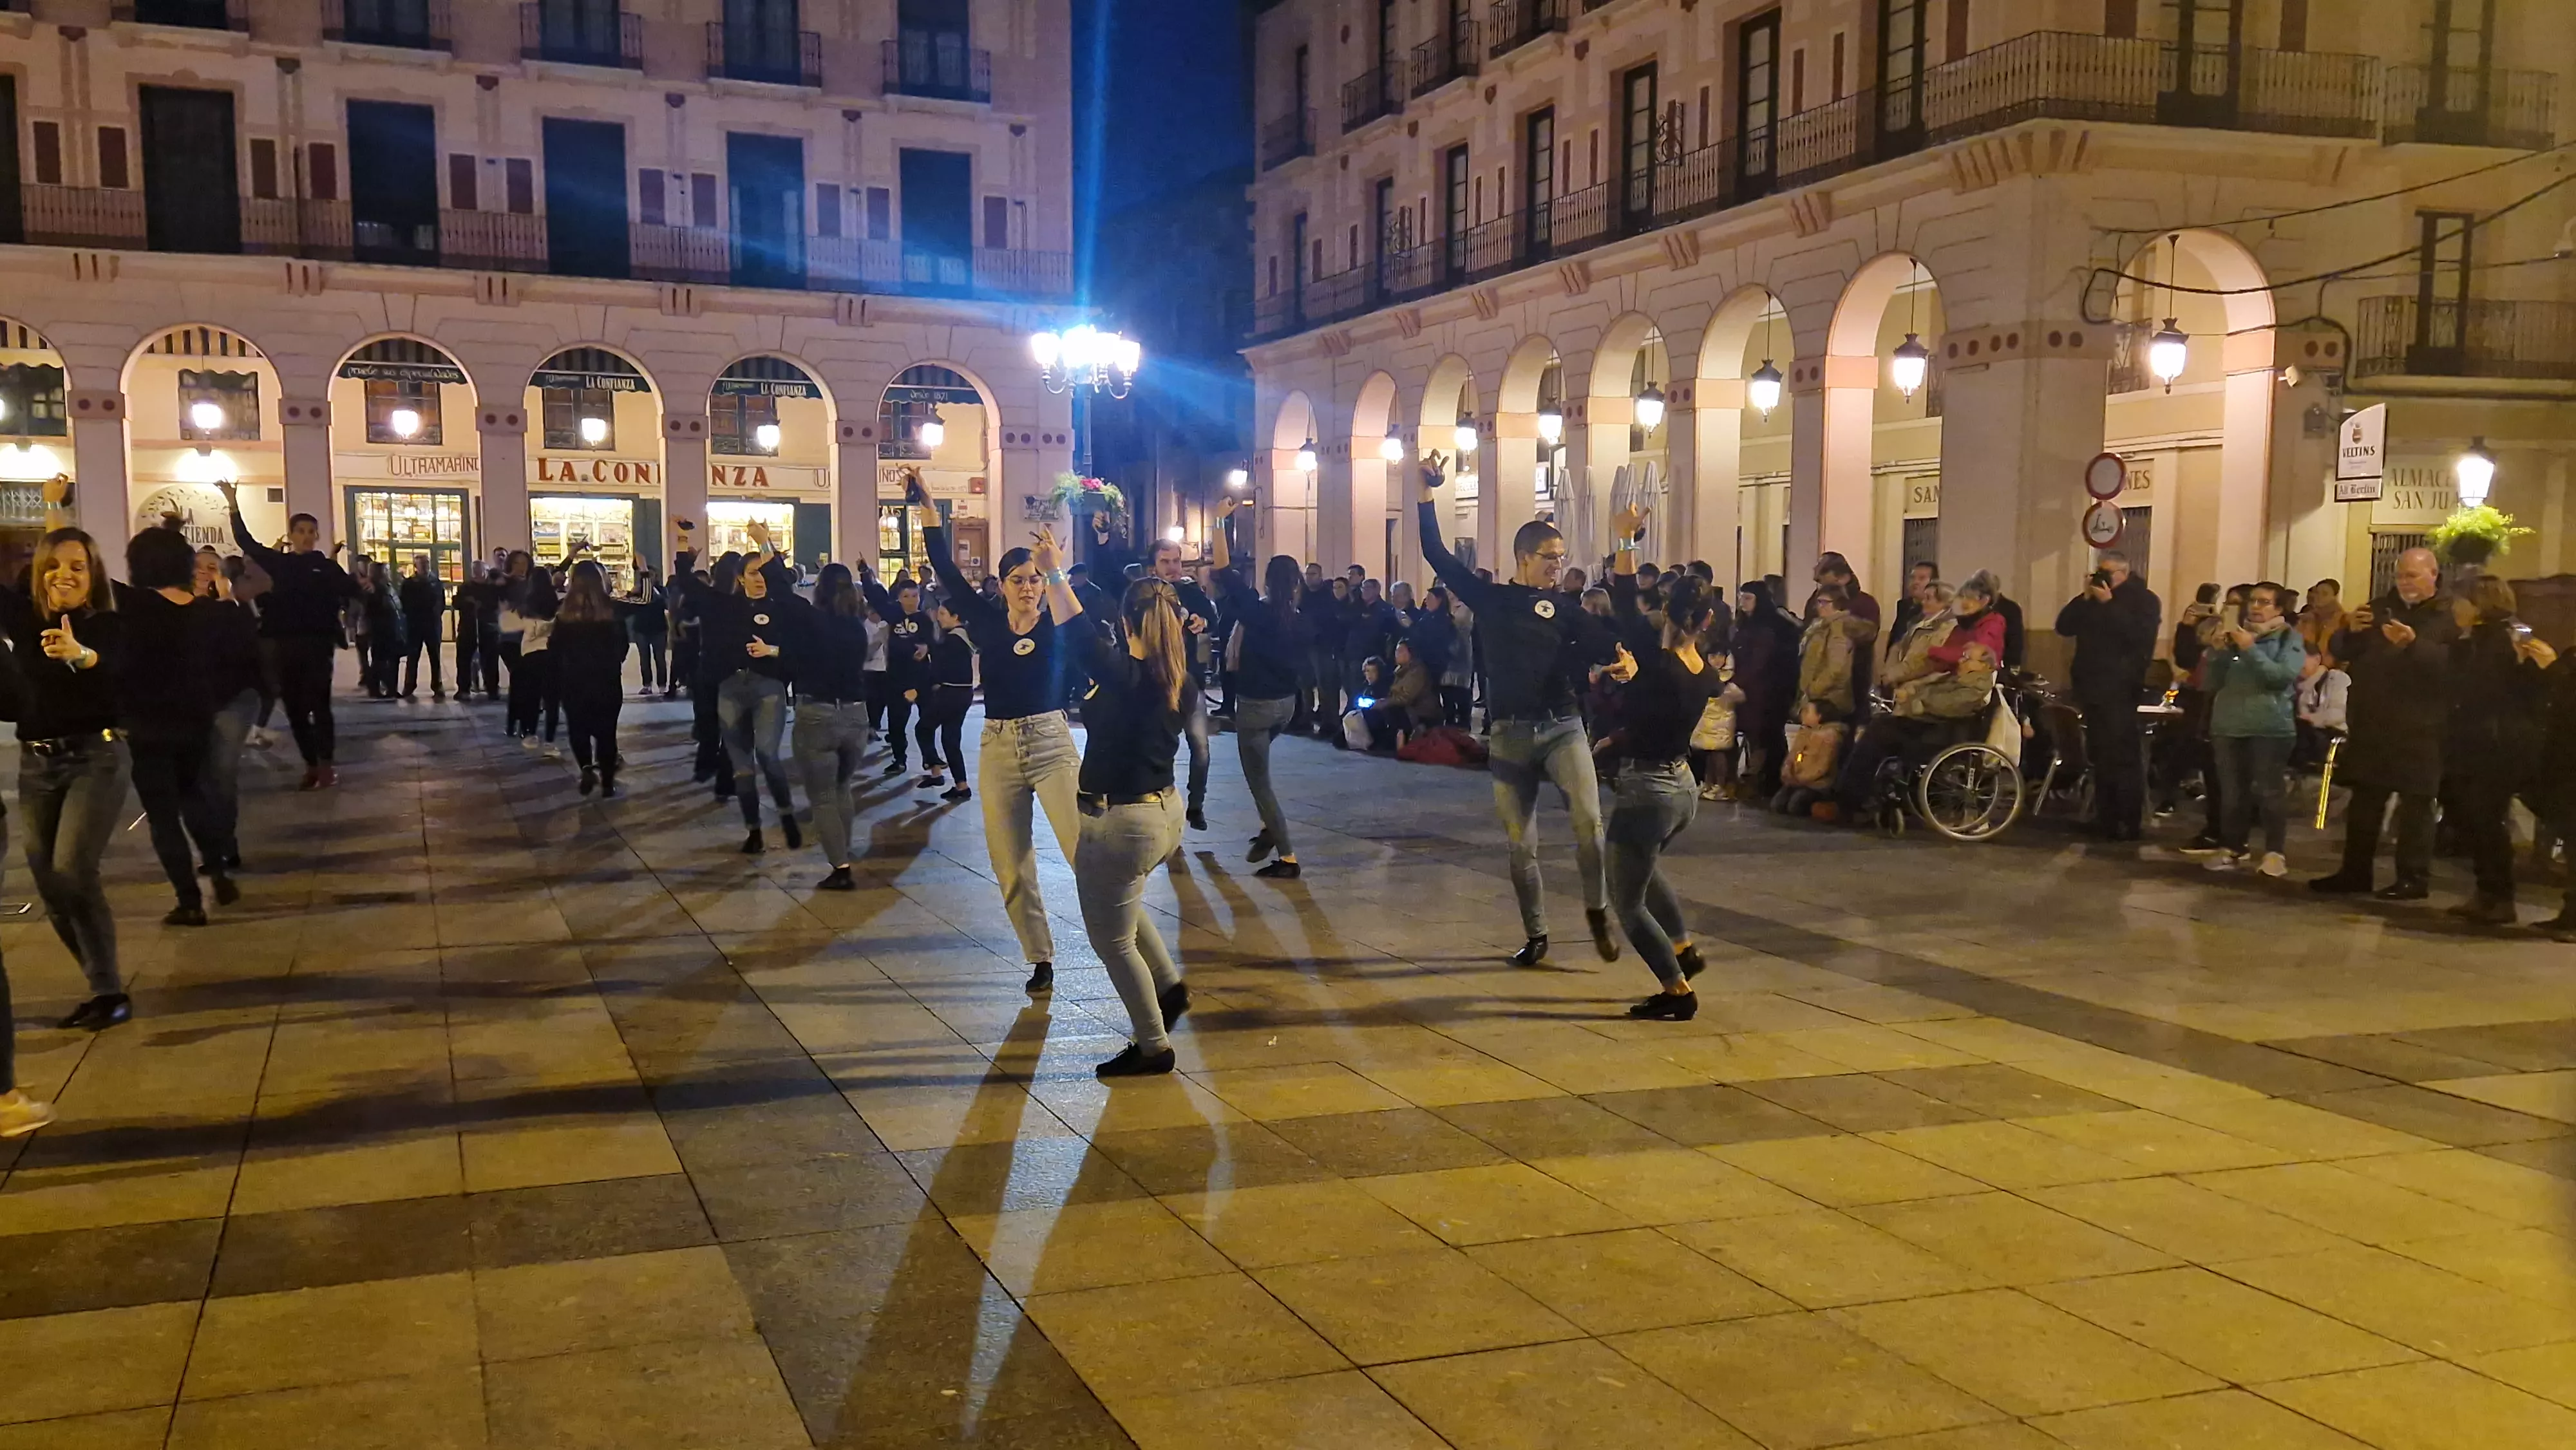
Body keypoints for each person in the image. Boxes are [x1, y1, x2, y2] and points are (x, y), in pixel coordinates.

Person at [1416, 452, 1618, 966]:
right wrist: (1426, 492)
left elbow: (1608, 643)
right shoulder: (1492, 599)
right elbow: (1437, 554)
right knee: (1520, 844)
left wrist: (1623, 661)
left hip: (1562, 727)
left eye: (1562, 557)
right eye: (1550, 557)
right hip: (1509, 734)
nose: (1558, 565)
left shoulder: (1568, 609)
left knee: (1590, 825)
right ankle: (1537, 932)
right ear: (1524, 557)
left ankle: (1597, 909)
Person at [1036, 527, 1197, 1079]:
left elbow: (1077, 632)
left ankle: (1153, 1046)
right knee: (1124, 908)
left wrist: (1054, 571)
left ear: (1127, 623)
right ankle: (1169, 988)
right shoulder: (1176, 677)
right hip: (1162, 813)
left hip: (1122, 821)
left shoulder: (1127, 676)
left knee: (1111, 940)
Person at [916, 476, 1080, 992]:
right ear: (1003, 585)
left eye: (1034, 579)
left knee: (1083, 849)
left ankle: (1123, 935)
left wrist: (1057, 571)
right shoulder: (986, 623)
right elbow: (945, 570)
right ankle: (1040, 958)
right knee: (1010, 862)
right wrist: (929, 511)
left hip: (1051, 743)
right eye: (1017, 580)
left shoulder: (1057, 622)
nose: (1028, 588)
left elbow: (1083, 622)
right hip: (998, 745)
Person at [5, 504, 130, 1031]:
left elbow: (117, 670)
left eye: (78, 567)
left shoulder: (109, 624)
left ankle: (110, 992)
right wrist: (53, 510)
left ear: (93, 574)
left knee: (72, 868)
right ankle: (101, 983)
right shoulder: (22, 618)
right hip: (36, 764)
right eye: (54, 566)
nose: (65, 575)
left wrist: (81, 655)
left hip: (96, 758)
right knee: (50, 883)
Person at [1599, 504, 1720, 1019]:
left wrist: (1626, 539)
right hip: (1683, 788)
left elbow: (1625, 598)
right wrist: (1636, 680)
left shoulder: (1658, 664)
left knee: (1627, 902)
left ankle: (1677, 991)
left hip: (1647, 791)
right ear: (1707, 621)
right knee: (1644, 871)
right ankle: (1684, 948)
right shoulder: (1703, 672)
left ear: (1666, 612)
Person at [2313, 547, 2456, 900]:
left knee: (2416, 806)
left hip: (2421, 726)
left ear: (2433, 575)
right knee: (2365, 802)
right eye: (2401, 575)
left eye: (2413, 575)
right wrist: (2349, 631)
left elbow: (2454, 666)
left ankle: (2413, 878)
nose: (2405, 582)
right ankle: (2355, 873)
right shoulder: (2378, 609)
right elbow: (2343, 651)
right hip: (2372, 722)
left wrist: (2414, 644)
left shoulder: (2448, 615)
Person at [114, 525, 235, 925]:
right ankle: (219, 875)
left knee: (163, 816)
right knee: (195, 796)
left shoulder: (134, 606)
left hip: (148, 724)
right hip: (195, 719)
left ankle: (189, 901)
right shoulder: (208, 613)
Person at [218, 482, 356, 789]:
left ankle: (326, 765)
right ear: (291, 535)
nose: (306, 536)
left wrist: (365, 587)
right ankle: (311, 764)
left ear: (317, 536)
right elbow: (246, 541)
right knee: (294, 708)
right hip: (286, 645)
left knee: (320, 706)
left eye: (311, 531)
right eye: (301, 531)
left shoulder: (325, 567)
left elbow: (352, 589)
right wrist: (233, 503)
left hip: (318, 645)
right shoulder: (281, 563)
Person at [675, 522, 802, 852]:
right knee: (742, 768)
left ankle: (786, 812)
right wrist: (682, 541)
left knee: (767, 754)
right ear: (741, 578)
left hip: (768, 687)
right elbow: (687, 583)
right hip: (731, 689)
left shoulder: (781, 607)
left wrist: (772, 651)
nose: (759, 578)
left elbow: (798, 647)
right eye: (752, 573)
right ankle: (754, 831)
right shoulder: (725, 606)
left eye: (763, 572)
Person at [1208, 501, 1309, 879]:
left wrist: (1220, 521)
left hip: (1255, 706)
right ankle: (1269, 827)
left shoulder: (1255, 610)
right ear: (1297, 584)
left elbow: (1222, 569)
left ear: (1267, 581)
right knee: (1261, 772)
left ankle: (1287, 857)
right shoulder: (1300, 620)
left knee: (1260, 783)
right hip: (1286, 706)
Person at [2442, 576, 2551, 923]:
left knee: (2486, 818)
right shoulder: (2476, 637)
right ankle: (2487, 891)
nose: (2454, 609)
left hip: (2498, 742)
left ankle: (2499, 896)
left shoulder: (2508, 635)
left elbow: (2500, 687)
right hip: (2476, 739)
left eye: (2459, 602)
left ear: (2479, 604)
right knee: (2474, 818)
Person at [2199, 581, 2305, 878]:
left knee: (2269, 791)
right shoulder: (2235, 635)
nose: (2255, 607)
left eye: (2264, 602)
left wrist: (2251, 650)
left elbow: (2281, 677)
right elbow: (2212, 683)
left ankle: (2274, 853)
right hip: (2229, 725)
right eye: (2253, 601)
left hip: (2269, 727)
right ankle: (2233, 847)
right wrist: (2218, 653)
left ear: (2279, 608)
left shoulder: (2288, 638)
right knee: (2232, 793)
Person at [2053, 549, 2161, 840]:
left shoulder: (2144, 600)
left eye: (2108, 573)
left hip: (2120, 687)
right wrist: (2084, 597)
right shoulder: (2091, 600)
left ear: (2124, 574)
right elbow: (2064, 627)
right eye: (2098, 572)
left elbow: (2138, 637)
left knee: (2122, 755)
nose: (2102, 578)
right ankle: (2105, 817)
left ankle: (2128, 821)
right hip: (2091, 686)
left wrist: (2109, 604)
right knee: (2100, 754)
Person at [784, 563, 880, 889]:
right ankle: (844, 851)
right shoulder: (856, 627)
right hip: (855, 716)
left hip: (818, 714)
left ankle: (841, 868)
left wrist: (766, 547)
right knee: (842, 788)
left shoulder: (813, 620)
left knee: (823, 796)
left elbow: (783, 591)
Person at [194, 545, 260, 878]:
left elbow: (245, 648)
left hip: (233, 701)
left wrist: (226, 601)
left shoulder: (235, 610)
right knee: (200, 779)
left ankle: (221, 848)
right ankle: (216, 845)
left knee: (221, 774)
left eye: (212, 568)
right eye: (198, 566)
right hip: (195, 704)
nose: (203, 573)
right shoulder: (181, 609)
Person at [1145, 532, 1220, 828]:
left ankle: (1196, 804)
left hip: (1189, 679)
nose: (1173, 567)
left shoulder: (1189, 591)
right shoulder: (1147, 593)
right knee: (1159, 746)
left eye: (1176, 561)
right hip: (1156, 679)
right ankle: (1161, 804)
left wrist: (1203, 621)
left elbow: (1212, 617)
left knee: (1200, 747)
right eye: (1165, 562)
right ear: (1153, 566)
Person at [550, 560, 633, 797]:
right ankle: (607, 782)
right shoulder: (612, 610)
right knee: (607, 733)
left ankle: (586, 767)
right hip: (606, 680)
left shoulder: (565, 613)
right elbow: (622, 645)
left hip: (574, 680)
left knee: (578, 729)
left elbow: (555, 648)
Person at [914, 599, 976, 802]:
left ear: (955, 616)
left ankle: (934, 764)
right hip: (964, 693)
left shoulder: (953, 639)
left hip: (951, 693)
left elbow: (939, 667)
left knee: (923, 728)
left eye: (942, 614)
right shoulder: (964, 636)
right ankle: (961, 786)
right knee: (950, 740)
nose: (938, 618)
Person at [879, 581, 929, 778]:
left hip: (920, 677)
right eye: (906, 596)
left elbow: (933, 642)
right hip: (897, 678)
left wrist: (927, 648)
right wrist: (866, 574)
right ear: (899, 598)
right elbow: (876, 599)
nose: (911, 601)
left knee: (927, 721)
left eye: (915, 596)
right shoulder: (894, 616)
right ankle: (899, 759)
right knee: (896, 722)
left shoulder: (924, 619)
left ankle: (930, 759)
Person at [1773, 701, 1846, 818]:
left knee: (1795, 806)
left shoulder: (1829, 738)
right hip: (1797, 780)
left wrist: (1802, 779)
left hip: (1816, 784)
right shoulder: (1804, 733)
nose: (1803, 714)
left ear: (1819, 717)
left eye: (1808, 711)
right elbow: (1794, 754)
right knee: (1778, 805)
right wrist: (1788, 770)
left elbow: (1823, 767)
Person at [399, 554, 446, 701]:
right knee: (413, 657)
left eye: (426, 563)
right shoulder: (409, 584)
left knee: (435, 657)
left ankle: (437, 685)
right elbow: (404, 604)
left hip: (433, 625)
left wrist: (435, 614)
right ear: (416, 566)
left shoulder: (436, 582)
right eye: (422, 564)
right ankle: (409, 686)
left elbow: (441, 603)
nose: (425, 566)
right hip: (415, 625)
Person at [2292, 648, 2349, 770]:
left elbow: (2339, 714)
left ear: (2317, 659)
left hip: (2335, 735)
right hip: (2313, 734)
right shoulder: (2304, 687)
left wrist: (2312, 718)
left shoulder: (2337, 679)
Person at [627, 565, 669, 697]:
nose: (650, 578)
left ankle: (662, 685)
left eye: (652, 575)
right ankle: (647, 685)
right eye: (647, 576)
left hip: (659, 628)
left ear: (656, 577)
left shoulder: (662, 590)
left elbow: (666, 604)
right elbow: (630, 605)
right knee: (644, 659)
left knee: (660, 658)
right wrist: (632, 593)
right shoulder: (638, 591)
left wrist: (654, 591)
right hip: (641, 628)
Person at [2299, 578, 2348, 663]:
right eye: (2317, 593)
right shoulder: (2306, 618)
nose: (2319, 597)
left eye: (2325, 594)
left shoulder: (2343, 620)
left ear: (2335, 596)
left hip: (2330, 667)